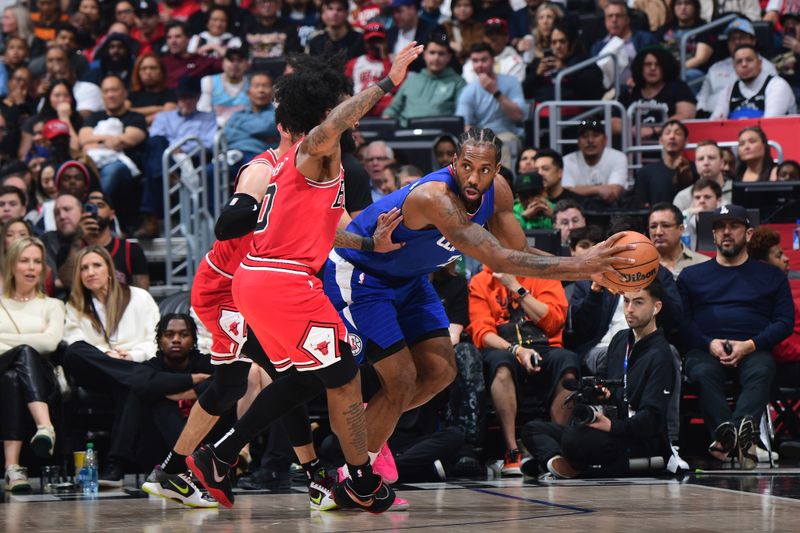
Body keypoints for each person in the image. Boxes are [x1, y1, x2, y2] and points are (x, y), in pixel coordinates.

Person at [323, 122, 638, 502]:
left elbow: (519, 255)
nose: (474, 178)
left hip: (410, 280)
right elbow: (496, 257)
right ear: (453, 163)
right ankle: (352, 480)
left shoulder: (498, 194)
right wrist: (584, 265)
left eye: (485, 169)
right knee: (402, 379)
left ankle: (370, 433)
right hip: (362, 276)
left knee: (442, 371)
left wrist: (585, 263)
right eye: (467, 167)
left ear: (497, 170)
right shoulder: (434, 197)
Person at [183, 43, 427, 513]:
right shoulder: (314, 148)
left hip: (263, 282)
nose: (348, 115)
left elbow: (331, 231)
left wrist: (372, 244)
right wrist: (387, 82)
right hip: (283, 281)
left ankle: (222, 454)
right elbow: (337, 121)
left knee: (306, 379)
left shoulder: (314, 168)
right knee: (342, 375)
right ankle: (357, 478)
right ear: (323, 111)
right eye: (338, 106)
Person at [521, 279, 674, 479]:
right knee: (532, 429)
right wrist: (604, 396)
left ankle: (555, 461)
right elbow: (617, 391)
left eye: (638, 302)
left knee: (575, 439)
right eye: (626, 301)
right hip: (610, 430)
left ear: (656, 307)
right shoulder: (620, 340)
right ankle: (559, 462)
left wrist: (612, 426)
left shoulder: (661, 354)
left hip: (638, 441)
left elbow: (652, 420)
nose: (629, 309)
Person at [679, 205, 794, 468]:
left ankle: (730, 438)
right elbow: (682, 322)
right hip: (707, 348)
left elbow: (784, 322)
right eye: (720, 227)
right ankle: (735, 437)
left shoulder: (771, 276)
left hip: (753, 348)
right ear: (714, 235)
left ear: (749, 233)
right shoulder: (692, 276)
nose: (726, 232)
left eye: (733, 226)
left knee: (761, 369)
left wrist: (751, 345)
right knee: (702, 371)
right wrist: (709, 344)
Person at [61, 245, 160, 478]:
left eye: (96, 265)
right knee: (73, 352)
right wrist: (107, 356)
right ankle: (131, 374)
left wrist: (131, 356)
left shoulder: (139, 297)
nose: (90, 272)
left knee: (129, 386)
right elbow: (74, 340)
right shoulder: (75, 305)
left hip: (133, 365)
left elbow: (156, 339)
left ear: (109, 269)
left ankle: (116, 463)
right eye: (84, 268)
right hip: (99, 372)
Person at [468, 265, 577, 475]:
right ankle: (512, 451)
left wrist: (516, 287)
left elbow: (554, 321)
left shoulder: (544, 274)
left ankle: (556, 445)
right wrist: (516, 350)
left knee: (568, 362)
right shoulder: (480, 281)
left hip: (544, 344)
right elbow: (482, 333)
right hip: (504, 346)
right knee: (502, 365)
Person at [101, 314, 225, 491]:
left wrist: (190, 392)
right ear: (159, 340)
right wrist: (194, 379)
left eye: (183, 335)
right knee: (146, 395)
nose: (176, 340)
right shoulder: (151, 366)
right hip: (158, 448)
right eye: (169, 335)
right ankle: (117, 465)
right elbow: (141, 382)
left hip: (205, 444)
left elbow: (225, 380)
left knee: (225, 389)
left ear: (193, 340)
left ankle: (199, 465)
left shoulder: (205, 363)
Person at [0, 237, 65, 493]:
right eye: (24, 261)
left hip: (40, 377)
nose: (31, 267)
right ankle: (44, 427)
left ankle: (12, 468)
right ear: (12, 265)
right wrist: (28, 342)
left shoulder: (52, 305)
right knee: (24, 353)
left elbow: (50, 343)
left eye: (37, 262)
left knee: (14, 377)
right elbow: (40, 340)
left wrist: (6, 340)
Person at [78, 74, 148, 205]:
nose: (110, 95)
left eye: (114, 90)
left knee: (112, 170)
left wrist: (95, 142)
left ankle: (94, 208)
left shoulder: (135, 118)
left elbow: (128, 140)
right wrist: (110, 140)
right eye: (106, 91)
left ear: (125, 93)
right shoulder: (94, 117)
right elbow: (83, 139)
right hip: (93, 163)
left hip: (125, 169)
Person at [456, 43, 526, 170]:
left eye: (484, 60)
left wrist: (496, 92)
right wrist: (476, 142)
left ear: (493, 60)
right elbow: (466, 125)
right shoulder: (468, 91)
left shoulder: (511, 82)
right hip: (480, 138)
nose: (480, 65)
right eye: (475, 61)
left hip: (507, 133)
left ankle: (501, 186)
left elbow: (518, 116)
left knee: (499, 146)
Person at [746, 227, 799, 385]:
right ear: (763, 264)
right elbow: (778, 346)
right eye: (779, 255)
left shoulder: (779, 287)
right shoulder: (758, 294)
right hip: (775, 364)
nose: (787, 259)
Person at [697, 18, 779, 117]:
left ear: (753, 40)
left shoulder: (766, 67)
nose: (737, 42)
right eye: (733, 39)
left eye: (742, 37)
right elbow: (702, 99)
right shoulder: (715, 68)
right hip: (714, 118)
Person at [69, 190, 150, 289]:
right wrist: (78, 238)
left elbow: (143, 293)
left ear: (112, 214)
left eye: (100, 205)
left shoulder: (130, 250)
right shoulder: (72, 248)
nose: (95, 211)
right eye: (89, 207)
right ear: (82, 213)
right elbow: (67, 281)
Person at [382, 33, 466, 127]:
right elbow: (393, 109)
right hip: (405, 133)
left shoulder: (458, 83)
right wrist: (387, 119)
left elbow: (462, 115)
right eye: (432, 52)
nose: (436, 58)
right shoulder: (411, 80)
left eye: (441, 53)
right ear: (424, 55)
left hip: (440, 137)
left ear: (449, 57)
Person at [617, 47, 697, 140]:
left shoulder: (678, 87)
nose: (653, 68)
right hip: (631, 147)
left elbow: (686, 115)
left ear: (665, 67)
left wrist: (655, 129)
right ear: (640, 67)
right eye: (648, 64)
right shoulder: (630, 91)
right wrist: (632, 130)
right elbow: (613, 121)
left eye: (658, 64)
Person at [522, 21, 604, 104]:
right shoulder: (541, 63)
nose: (557, 46)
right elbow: (523, 92)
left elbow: (593, 92)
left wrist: (566, 71)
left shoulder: (585, 63)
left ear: (573, 43)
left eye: (562, 41)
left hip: (574, 115)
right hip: (540, 114)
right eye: (554, 42)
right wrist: (536, 74)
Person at [711, 44, 797, 120]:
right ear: (734, 67)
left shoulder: (777, 86)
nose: (744, 64)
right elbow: (714, 124)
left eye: (749, 60)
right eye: (739, 61)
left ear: (760, 63)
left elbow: (769, 125)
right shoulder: (728, 91)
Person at [589, 0, 659, 85]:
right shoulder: (598, 47)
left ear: (627, 19)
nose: (614, 20)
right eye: (610, 16)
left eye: (618, 16)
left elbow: (658, 67)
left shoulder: (645, 39)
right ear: (605, 21)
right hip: (611, 94)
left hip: (642, 88)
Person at [562, 120, 629, 207]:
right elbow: (566, 193)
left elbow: (614, 193)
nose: (590, 140)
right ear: (578, 142)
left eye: (595, 135)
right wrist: (598, 189)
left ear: (605, 140)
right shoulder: (566, 160)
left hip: (610, 210)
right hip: (576, 210)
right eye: (585, 136)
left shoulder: (618, 157)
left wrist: (578, 190)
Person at [634, 120, 695, 208]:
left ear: (686, 141)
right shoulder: (646, 172)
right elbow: (641, 205)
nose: (672, 136)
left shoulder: (696, 169)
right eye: (667, 133)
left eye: (678, 133)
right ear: (661, 140)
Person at [656, 0, 714, 85]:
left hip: (692, 71)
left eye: (688, 3)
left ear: (695, 7)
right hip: (665, 71)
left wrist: (676, 69)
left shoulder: (704, 28)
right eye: (679, 3)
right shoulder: (664, 29)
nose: (683, 7)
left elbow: (700, 58)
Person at [648, 202, 709, 280]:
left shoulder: (703, 263)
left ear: (681, 229)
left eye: (666, 225)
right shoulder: (640, 266)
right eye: (653, 227)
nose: (658, 232)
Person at [345, 22, 393, 117]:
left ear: (385, 41)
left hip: (384, 107)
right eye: (372, 41)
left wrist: (385, 59)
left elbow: (396, 88)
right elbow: (346, 90)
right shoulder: (354, 63)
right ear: (365, 43)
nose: (375, 45)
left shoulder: (393, 62)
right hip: (359, 106)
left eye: (378, 40)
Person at [198, 47, 250, 128]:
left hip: (245, 130)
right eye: (231, 60)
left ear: (247, 64)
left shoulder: (253, 85)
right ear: (223, 63)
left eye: (239, 61)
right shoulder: (209, 81)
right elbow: (203, 111)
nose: (235, 64)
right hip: (215, 129)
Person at [462, 17, 525, 84]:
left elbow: (512, 88)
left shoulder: (515, 61)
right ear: (484, 38)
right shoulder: (473, 60)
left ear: (506, 38)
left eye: (498, 33)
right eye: (489, 33)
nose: (493, 37)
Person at [161, 21, 222, 90]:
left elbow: (232, 64)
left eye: (178, 36)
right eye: (169, 37)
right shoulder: (163, 63)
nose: (173, 41)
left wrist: (214, 46)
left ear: (189, 39)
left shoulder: (204, 61)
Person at [673, 140, 731, 211]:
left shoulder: (737, 192)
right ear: (695, 164)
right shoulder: (683, 197)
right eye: (701, 159)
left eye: (711, 158)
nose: (706, 163)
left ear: (722, 163)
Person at [128, 54, 177, 127]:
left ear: (162, 72)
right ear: (138, 73)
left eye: (153, 68)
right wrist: (159, 109)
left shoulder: (170, 93)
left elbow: (168, 114)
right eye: (143, 68)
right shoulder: (133, 95)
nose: (148, 72)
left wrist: (136, 117)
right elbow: (124, 112)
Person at [439, 0, 485, 65]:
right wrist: (448, 43)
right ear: (452, 8)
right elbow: (442, 38)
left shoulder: (478, 27)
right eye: (458, 6)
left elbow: (478, 45)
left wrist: (462, 49)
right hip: (449, 64)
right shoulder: (445, 26)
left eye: (466, 5)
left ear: (473, 8)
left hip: (471, 64)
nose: (462, 9)